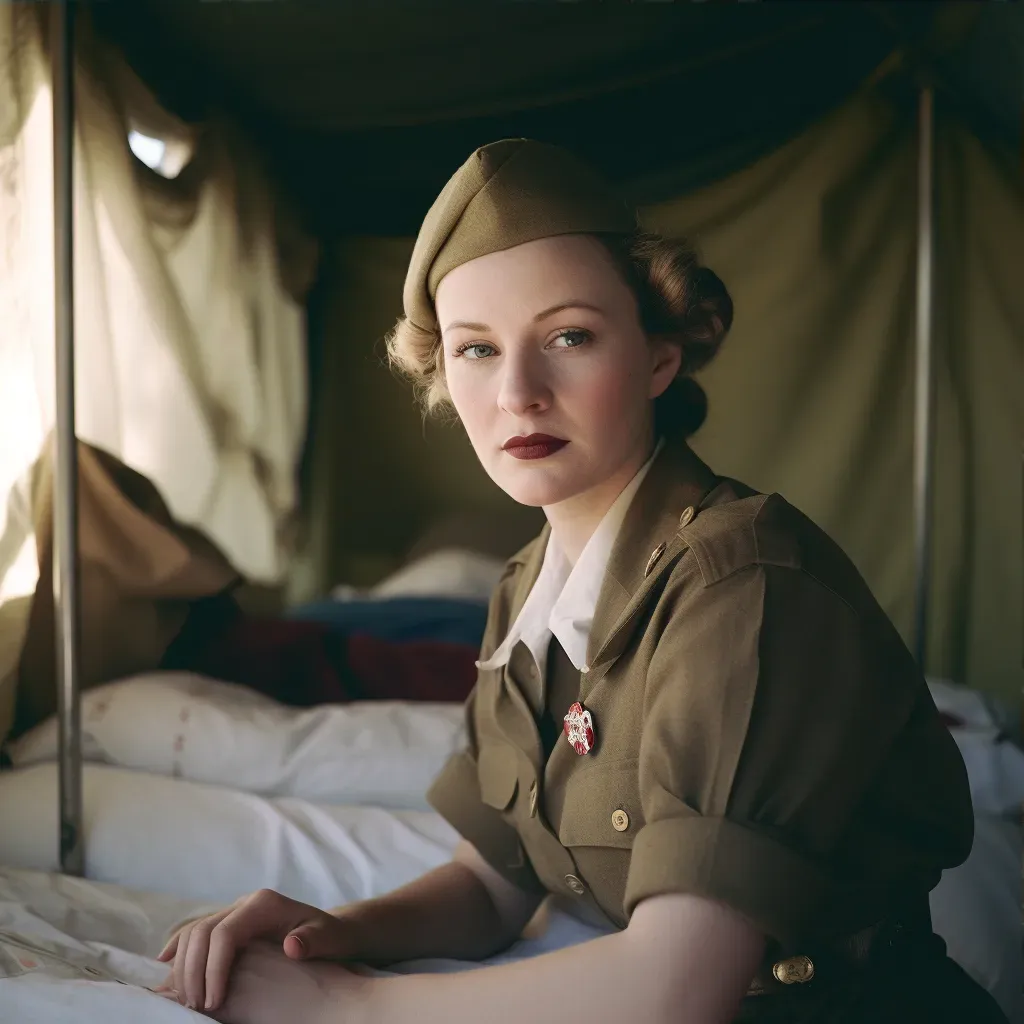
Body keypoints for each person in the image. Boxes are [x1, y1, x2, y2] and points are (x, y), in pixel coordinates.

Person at [156, 140, 1008, 1024]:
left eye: (569, 336)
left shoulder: (745, 584)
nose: (517, 392)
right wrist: (333, 934)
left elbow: (677, 986)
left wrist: (348, 1005)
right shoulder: (525, 588)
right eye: (475, 349)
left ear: (657, 358)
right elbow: (492, 884)